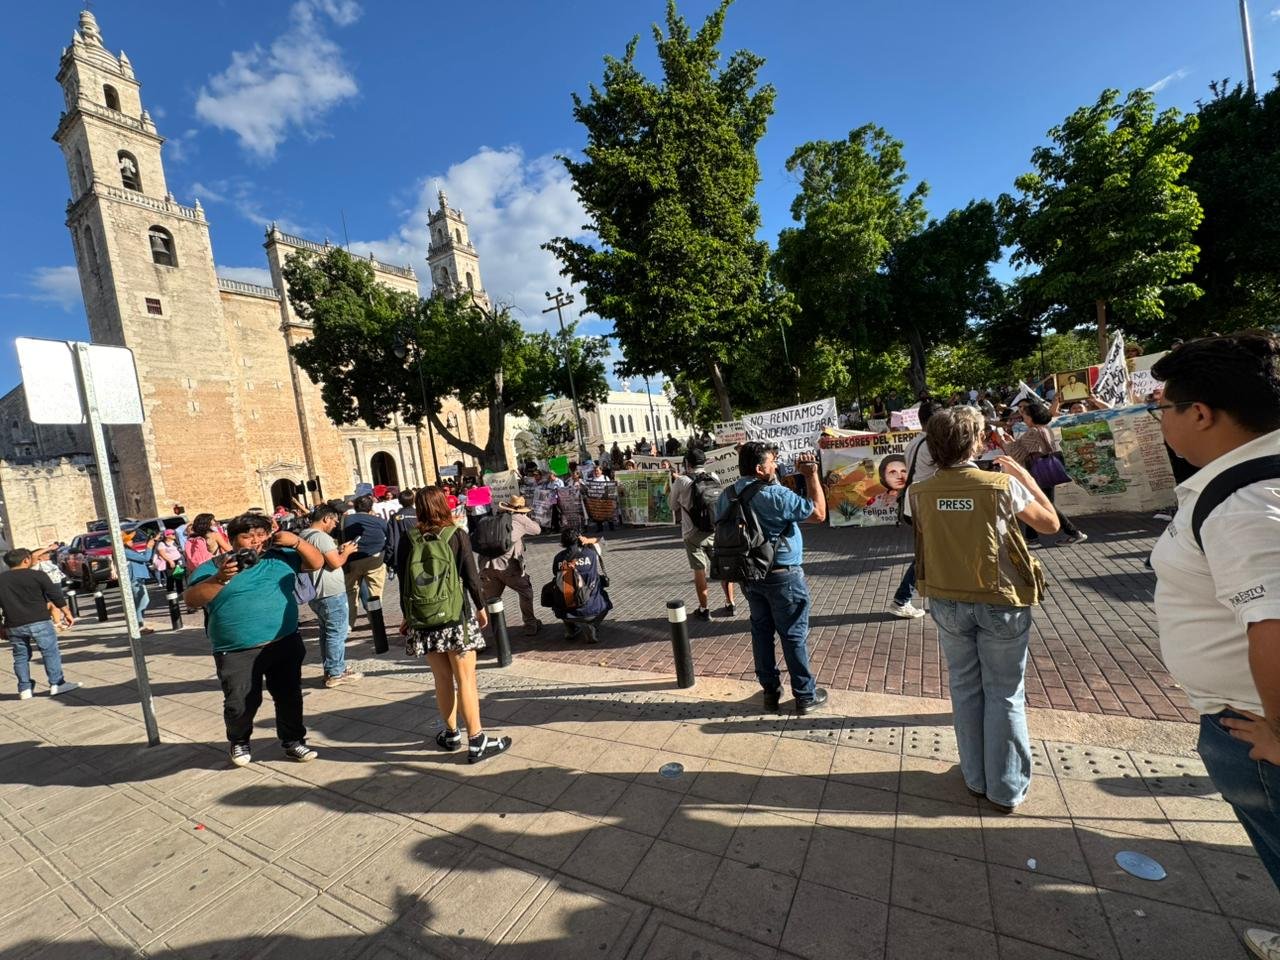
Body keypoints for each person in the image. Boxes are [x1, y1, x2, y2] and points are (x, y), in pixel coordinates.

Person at [1146, 333, 1280, 960]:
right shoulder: (1247, 484)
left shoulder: (1242, 503)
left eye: (1162, 409)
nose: (1160, 420)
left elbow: (1273, 625)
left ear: (1200, 413)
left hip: (1256, 727)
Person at [910, 406, 1059, 813]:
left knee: (964, 688)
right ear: (975, 441)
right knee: (1005, 694)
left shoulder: (918, 492)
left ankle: (976, 778)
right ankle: (1006, 788)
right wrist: (1024, 476)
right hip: (1000, 600)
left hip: (945, 597)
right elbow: (1050, 524)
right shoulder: (999, 485)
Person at [184, 513, 325, 766]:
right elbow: (192, 600)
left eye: (260, 535)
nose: (255, 541)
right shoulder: (212, 567)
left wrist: (296, 542)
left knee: (289, 696)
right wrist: (220, 578)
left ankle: (293, 741)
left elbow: (317, 563)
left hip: (283, 641)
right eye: (247, 536)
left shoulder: (279, 557)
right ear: (232, 539)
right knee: (240, 702)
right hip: (236, 649)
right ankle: (239, 740)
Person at [396, 486, 510, 763]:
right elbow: (472, 577)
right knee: (466, 680)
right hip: (454, 616)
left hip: (424, 619)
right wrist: (481, 608)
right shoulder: (456, 534)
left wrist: (407, 616)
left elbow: (403, 582)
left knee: (442, 680)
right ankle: (477, 739)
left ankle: (451, 733)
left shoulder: (408, 538)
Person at [717, 442, 828, 714]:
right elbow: (818, 514)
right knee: (793, 636)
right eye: (772, 462)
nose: (776, 465)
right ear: (759, 468)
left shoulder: (727, 494)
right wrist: (811, 474)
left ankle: (770, 692)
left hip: (748, 575)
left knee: (761, 633)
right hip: (783, 576)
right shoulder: (776, 495)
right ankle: (805, 695)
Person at [1001, 402, 1088, 545]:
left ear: (1031, 417)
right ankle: (1032, 538)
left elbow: (1020, 454)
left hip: (1037, 473)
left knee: (1043, 504)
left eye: (1025, 415)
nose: (1023, 418)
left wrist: (1007, 443)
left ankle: (1074, 532)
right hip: (1047, 470)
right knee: (1038, 502)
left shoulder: (1033, 432)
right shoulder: (1046, 429)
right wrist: (1015, 443)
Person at [0, 548, 78, 698]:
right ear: (26, 560)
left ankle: (24, 689)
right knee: (50, 652)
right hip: (39, 620)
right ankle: (57, 683)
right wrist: (67, 613)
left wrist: (0, 626)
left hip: (14, 624)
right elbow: (55, 595)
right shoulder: (38, 575)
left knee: (20, 656)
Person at [300, 504, 364, 688]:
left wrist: (339, 550)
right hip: (330, 592)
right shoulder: (322, 537)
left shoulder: (304, 535)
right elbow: (335, 563)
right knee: (337, 632)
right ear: (326, 519)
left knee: (326, 633)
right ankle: (336, 673)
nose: (336, 525)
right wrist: (347, 553)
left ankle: (332, 668)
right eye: (334, 521)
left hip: (316, 592)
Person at [890, 400, 943, 619]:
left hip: (916, 505)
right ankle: (901, 599)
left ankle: (936, 597)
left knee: (932, 552)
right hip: (927, 506)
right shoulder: (933, 444)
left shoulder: (915, 442)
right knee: (927, 554)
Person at [671, 448, 735, 619]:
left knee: (699, 570)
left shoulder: (682, 481)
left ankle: (704, 608)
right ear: (704, 462)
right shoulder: (713, 477)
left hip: (692, 532)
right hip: (714, 530)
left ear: (687, 463)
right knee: (722, 566)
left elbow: (672, 506)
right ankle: (730, 603)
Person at [477, 495, 543, 637]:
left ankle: (485, 632)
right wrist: (529, 517)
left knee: (488, 600)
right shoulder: (521, 518)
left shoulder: (497, 517)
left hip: (487, 566)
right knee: (526, 592)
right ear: (522, 509)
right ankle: (530, 624)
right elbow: (537, 530)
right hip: (509, 567)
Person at [550, 527, 612, 643]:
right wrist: (587, 541)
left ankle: (571, 628)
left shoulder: (558, 558)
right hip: (590, 607)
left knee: (561, 591)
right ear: (579, 539)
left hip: (564, 608)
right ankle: (592, 626)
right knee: (605, 600)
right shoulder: (591, 554)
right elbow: (598, 541)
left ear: (563, 542)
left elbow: (555, 574)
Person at [340, 495, 389, 629]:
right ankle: (375, 620)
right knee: (375, 592)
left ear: (355, 508)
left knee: (350, 592)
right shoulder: (378, 520)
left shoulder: (345, 520)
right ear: (371, 507)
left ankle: (349, 624)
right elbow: (389, 537)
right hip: (375, 558)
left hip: (352, 560)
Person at [122, 531, 157, 634]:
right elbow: (145, 558)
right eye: (129, 540)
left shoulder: (128, 551)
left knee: (140, 602)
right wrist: (149, 546)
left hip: (137, 578)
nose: (132, 541)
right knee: (143, 601)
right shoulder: (126, 552)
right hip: (134, 579)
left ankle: (139, 624)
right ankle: (139, 625)